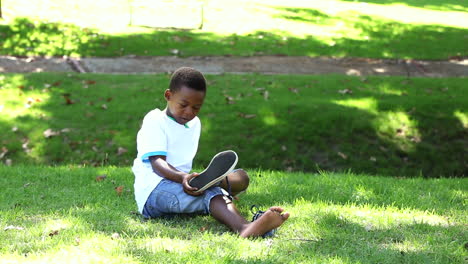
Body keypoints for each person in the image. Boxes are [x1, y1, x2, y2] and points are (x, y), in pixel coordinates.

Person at [132, 67, 289, 238]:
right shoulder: (155, 120)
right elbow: (157, 163)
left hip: (180, 186)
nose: (189, 112)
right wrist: (183, 178)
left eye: (196, 107)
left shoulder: (194, 123)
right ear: (168, 96)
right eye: (183, 105)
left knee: (241, 177)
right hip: (154, 193)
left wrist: (188, 179)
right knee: (211, 194)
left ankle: (213, 183)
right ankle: (244, 228)